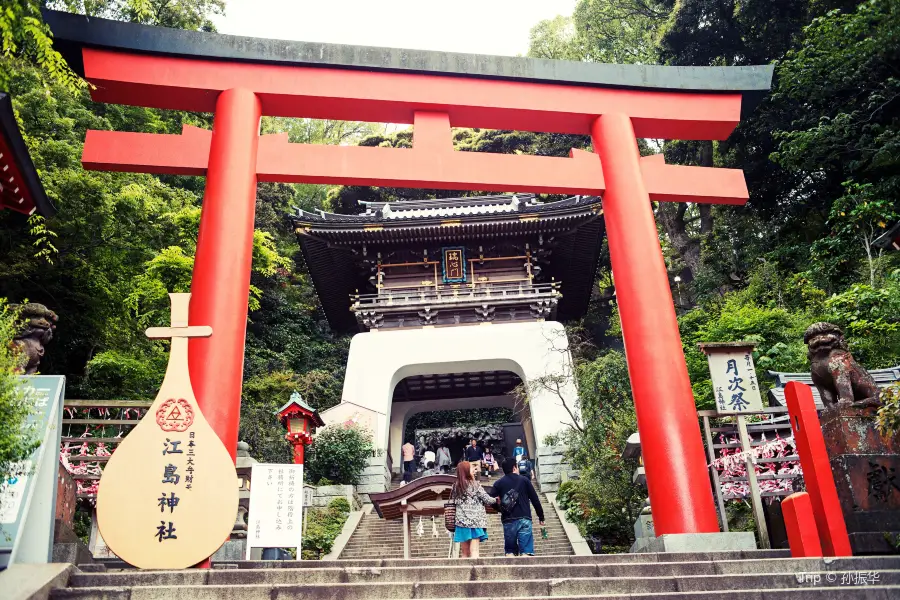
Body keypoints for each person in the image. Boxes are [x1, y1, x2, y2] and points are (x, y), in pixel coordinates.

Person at [489, 457, 545, 557]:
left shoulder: (498, 483)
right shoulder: (524, 480)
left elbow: (490, 499)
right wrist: (541, 516)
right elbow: (535, 499)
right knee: (526, 552)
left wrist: (499, 509)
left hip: (508, 519)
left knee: (510, 552)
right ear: (514, 467)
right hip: (524, 518)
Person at [450, 461, 498, 558]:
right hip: (475, 521)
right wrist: (496, 499)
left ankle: (464, 572)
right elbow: (487, 499)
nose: (474, 471)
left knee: (464, 552)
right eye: (472, 469)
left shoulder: (456, 486)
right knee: (474, 551)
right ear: (467, 471)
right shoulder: (475, 485)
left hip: (461, 521)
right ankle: (474, 572)